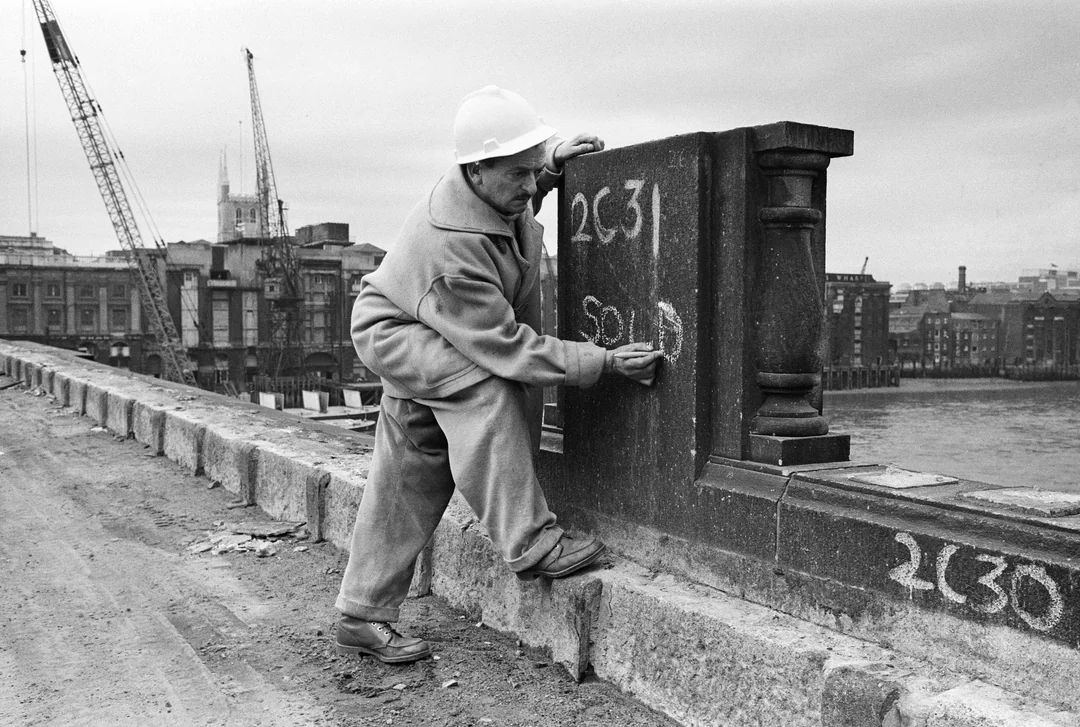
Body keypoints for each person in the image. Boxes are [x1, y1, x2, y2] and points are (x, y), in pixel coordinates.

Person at [334, 86, 661, 664]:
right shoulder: (452, 248)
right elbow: (505, 348)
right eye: (521, 175)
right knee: (482, 391)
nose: (532, 188)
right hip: (400, 334)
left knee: (414, 458)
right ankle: (531, 544)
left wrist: (552, 162)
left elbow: (517, 195)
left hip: (422, 324)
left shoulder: (491, 192)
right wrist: (602, 361)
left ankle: (361, 614)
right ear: (476, 169)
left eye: (536, 173)